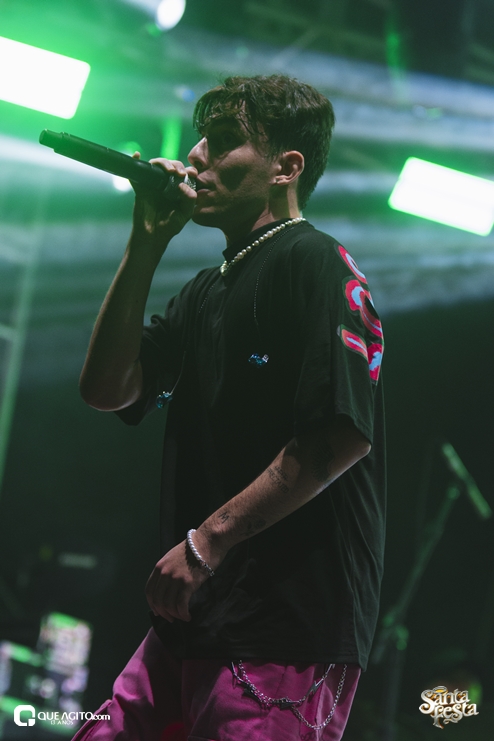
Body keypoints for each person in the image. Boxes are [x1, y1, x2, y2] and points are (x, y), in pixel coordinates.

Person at [74, 74, 385, 741]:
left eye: (221, 141)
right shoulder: (203, 292)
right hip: (195, 612)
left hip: (284, 627)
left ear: (286, 168)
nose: (195, 157)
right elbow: (106, 388)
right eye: (199, 140)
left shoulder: (315, 262)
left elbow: (340, 434)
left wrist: (206, 541)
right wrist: (146, 242)